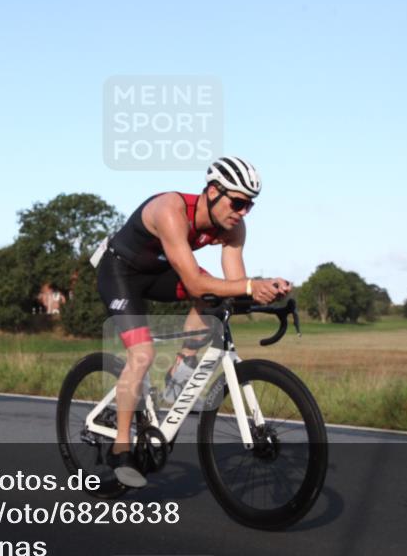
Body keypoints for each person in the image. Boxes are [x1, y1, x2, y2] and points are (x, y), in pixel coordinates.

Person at [93, 156, 292, 487]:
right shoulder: (170, 210)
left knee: (216, 299)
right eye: (238, 202)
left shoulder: (233, 227)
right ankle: (120, 448)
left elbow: (235, 284)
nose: (243, 212)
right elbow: (199, 284)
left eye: (249, 206)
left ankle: (179, 372)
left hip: (158, 272)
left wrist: (268, 290)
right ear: (213, 191)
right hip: (120, 272)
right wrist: (248, 286)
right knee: (142, 355)